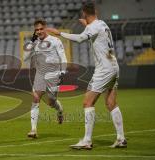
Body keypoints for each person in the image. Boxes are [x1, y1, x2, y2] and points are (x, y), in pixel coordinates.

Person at [46, 2, 127, 149]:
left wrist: (59, 33)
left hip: (104, 69)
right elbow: (93, 30)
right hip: (114, 66)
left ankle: (87, 141)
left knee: (87, 103)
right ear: (95, 12)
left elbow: (80, 39)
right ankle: (121, 138)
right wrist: (87, 25)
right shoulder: (102, 23)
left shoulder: (92, 27)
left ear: (84, 13)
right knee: (111, 103)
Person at [25, 19, 67, 138]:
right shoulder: (34, 43)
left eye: (41, 29)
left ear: (45, 28)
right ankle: (33, 130)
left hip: (53, 74)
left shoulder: (55, 41)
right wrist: (31, 43)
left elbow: (62, 57)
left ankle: (59, 110)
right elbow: (25, 58)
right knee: (35, 97)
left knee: (51, 101)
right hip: (40, 74)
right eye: (36, 30)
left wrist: (62, 72)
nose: (39, 31)